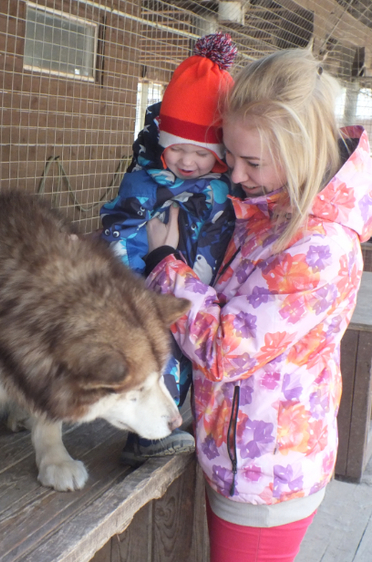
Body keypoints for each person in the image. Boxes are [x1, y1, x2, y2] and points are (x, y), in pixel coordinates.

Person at [143, 48, 372, 561]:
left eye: (252, 162)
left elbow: (226, 350)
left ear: (302, 151)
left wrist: (166, 265)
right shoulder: (272, 209)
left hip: (265, 476)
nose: (235, 175)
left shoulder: (316, 245)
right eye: (230, 156)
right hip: (241, 454)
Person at [99, 32, 238, 464]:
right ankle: (147, 438)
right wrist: (131, 281)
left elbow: (220, 239)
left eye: (202, 152)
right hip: (145, 285)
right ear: (164, 142)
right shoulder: (144, 183)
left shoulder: (222, 191)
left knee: (188, 355)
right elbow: (119, 230)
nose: (188, 161)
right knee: (158, 355)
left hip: (193, 286)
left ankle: (168, 424)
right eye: (178, 148)